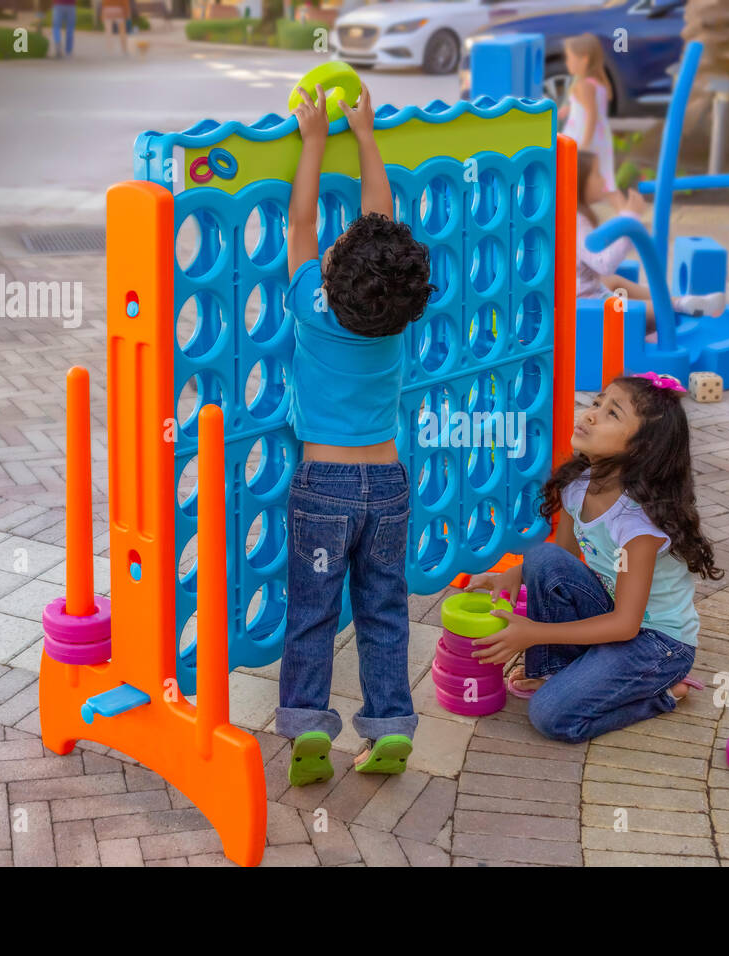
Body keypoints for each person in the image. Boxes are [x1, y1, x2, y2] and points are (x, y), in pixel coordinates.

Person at [277, 81, 437, 787]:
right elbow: (382, 222)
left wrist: (315, 141)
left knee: (312, 611)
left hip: (325, 487)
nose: (338, 237)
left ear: (333, 272)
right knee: (383, 611)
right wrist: (367, 136)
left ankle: (310, 724)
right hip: (389, 488)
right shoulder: (396, 317)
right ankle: (390, 727)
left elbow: (299, 225)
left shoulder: (314, 305)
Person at [463, 373, 722, 743]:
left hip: (657, 644)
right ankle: (553, 669)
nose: (590, 415)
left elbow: (626, 626)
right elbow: (563, 558)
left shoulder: (636, 526)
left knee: (549, 716)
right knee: (543, 554)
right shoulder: (578, 485)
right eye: (597, 403)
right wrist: (514, 575)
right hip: (614, 616)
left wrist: (534, 633)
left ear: (642, 448)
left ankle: (662, 694)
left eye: (612, 414)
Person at [575, 150, 716, 330]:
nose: (603, 179)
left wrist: (622, 218)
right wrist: (629, 217)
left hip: (581, 292)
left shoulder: (575, 215)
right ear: (579, 181)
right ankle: (675, 306)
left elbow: (597, 252)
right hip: (584, 307)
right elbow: (604, 263)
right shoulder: (576, 222)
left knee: (615, 281)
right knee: (656, 313)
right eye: (597, 174)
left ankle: (675, 300)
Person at [558, 33, 617, 198]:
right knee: (605, 181)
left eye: (569, 57)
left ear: (584, 59)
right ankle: (625, 211)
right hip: (601, 138)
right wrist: (570, 108)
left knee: (570, 176)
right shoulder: (599, 83)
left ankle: (572, 211)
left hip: (583, 136)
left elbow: (591, 114)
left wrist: (584, 144)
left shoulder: (583, 86)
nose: (567, 62)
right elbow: (593, 105)